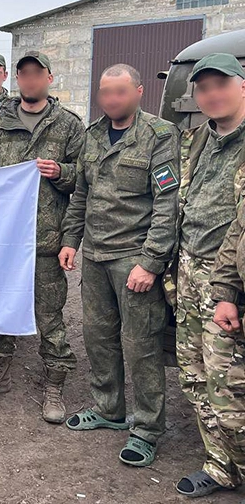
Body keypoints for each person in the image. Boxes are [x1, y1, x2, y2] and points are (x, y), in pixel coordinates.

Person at [60, 64, 179, 467]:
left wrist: (151, 261)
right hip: (95, 255)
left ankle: (146, 429)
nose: (111, 99)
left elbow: (167, 204)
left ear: (139, 92)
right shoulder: (92, 135)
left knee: (141, 345)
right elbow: (81, 193)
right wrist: (70, 240)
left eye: (120, 92)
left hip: (133, 258)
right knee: (97, 336)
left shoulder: (159, 135)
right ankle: (109, 409)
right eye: (105, 92)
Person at [0, 51, 82, 425]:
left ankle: (54, 385)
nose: (30, 80)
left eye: (37, 73)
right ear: (17, 79)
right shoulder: (0, 123)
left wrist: (61, 172)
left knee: (49, 316)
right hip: (4, 240)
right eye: (24, 74)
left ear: (49, 78)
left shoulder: (68, 125)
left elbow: (85, 179)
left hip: (46, 240)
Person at [172, 53, 245, 498]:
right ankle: (220, 465)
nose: (212, 95)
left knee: (228, 384)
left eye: (221, 84)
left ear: (243, 86)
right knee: (194, 374)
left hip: (229, 283)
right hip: (188, 271)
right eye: (203, 88)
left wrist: (228, 291)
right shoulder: (196, 140)